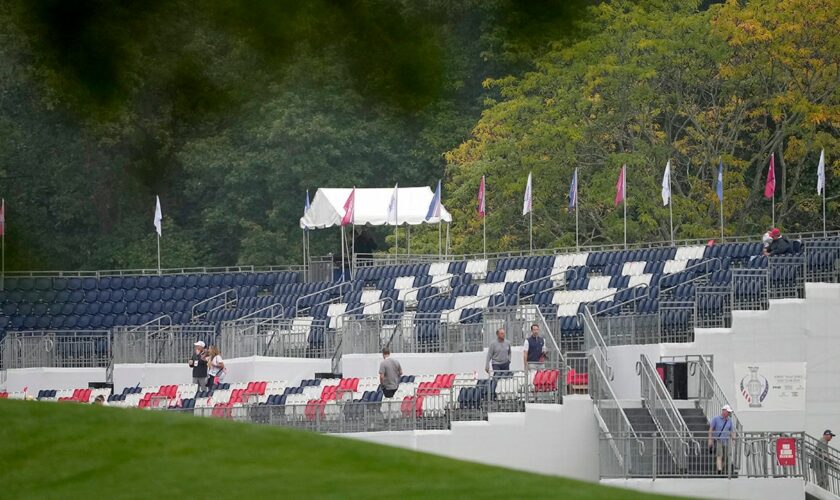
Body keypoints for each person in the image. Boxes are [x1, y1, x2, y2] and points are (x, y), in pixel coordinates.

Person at [708, 405, 735, 474]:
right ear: (723, 411)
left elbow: (731, 431)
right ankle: (719, 469)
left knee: (725, 457)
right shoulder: (716, 419)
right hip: (718, 440)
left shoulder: (729, 420)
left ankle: (721, 469)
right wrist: (710, 439)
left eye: (729, 412)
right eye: (728, 412)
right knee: (719, 455)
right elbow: (711, 429)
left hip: (726, 441)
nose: (729, 413)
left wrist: (733, 439)